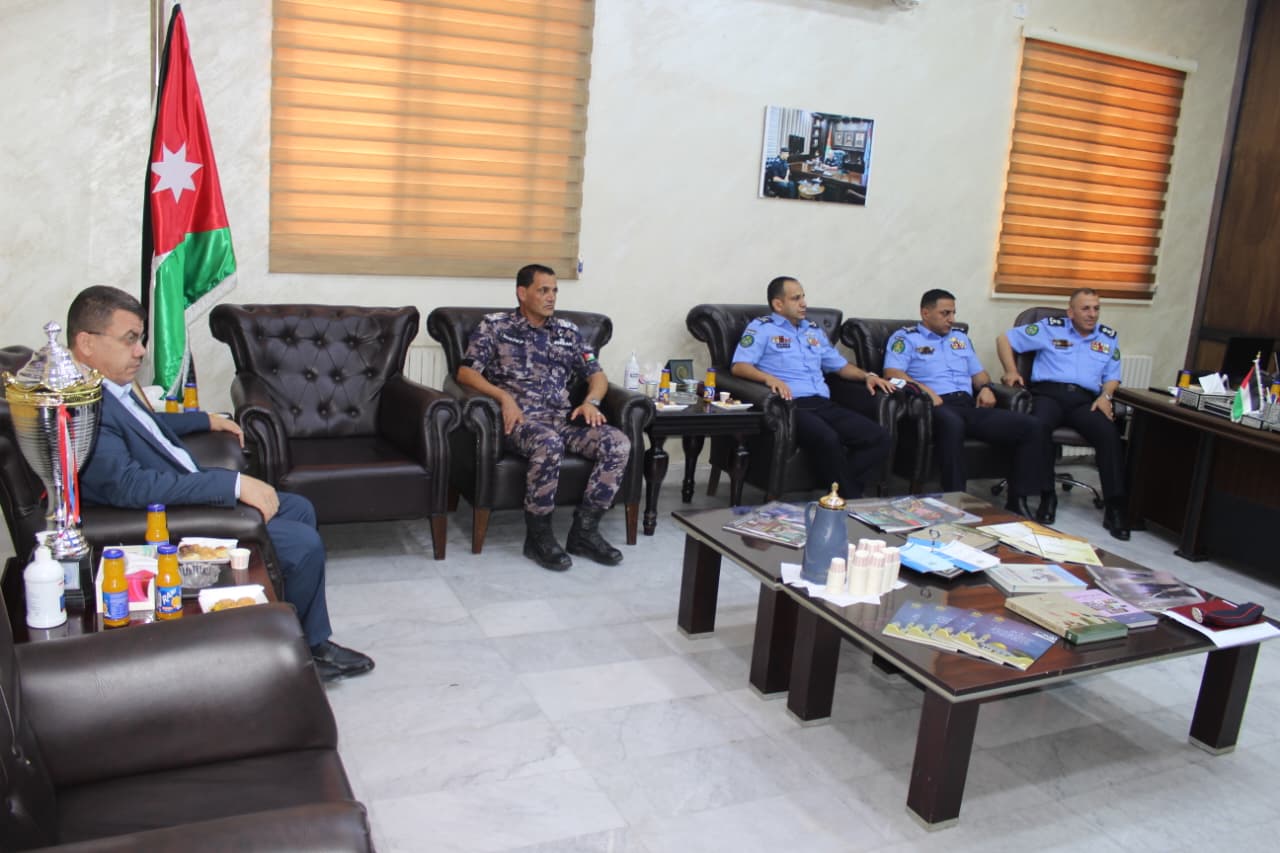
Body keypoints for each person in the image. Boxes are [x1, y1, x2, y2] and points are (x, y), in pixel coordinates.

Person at [67, 285, 373, 683]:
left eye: (141, 339)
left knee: (299, 508)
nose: (140, 351)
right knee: (301, 544)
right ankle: (301, 655)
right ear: (87, 343)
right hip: (170, 516)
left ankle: (297, 635)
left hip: (185, 493)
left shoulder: (107, 388)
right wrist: (230, 485)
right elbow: (127, 487)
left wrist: (204, 419)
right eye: (129, 339)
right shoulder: (83, 404)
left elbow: (144, 428)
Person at [457, 263, 631, 572]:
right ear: (522, 293)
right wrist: (504, 398)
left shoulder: (568, 332)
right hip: (520, 423)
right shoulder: (495, 327)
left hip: (562, 419)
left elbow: (597, 375)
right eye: (543, 290)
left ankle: (584, 532)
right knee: (548, 444)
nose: (551, 297)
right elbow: (466, 373)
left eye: (554, 291)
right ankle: (538, 537)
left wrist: (591, 402)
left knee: (617, 443)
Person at [882, 288, 1047, 517]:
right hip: (933, 406)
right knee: (953, 423)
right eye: (945, 313)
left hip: (967, 405)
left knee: (1032, 426)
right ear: (925, 313)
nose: (951, 319)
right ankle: (954, 499)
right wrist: (925, 390)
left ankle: (1018, 499)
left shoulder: (960, 339)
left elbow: (978, 374)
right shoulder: (906, 338)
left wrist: (986, 388)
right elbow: (892, 373)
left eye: (953, 313)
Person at [731, 276, 895, 499]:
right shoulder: (762, 328)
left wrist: (867, 376)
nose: (804, 303)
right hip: (790, 406)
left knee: (879, 437)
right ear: (778, 304)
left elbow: (840, 366)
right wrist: (769, 379)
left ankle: (838, 492)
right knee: (828, 438)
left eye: (803, 297)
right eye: (796, 298)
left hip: (823, 403)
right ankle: (850, 498)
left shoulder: (812, 331)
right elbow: (739, 366)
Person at [996, 288, 1129, 539]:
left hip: (1085, 401)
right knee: (1039, 426)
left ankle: (1115, 507)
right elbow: (1004, 339)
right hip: (1049, 395)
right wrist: (1011, 371)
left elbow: (1112, 376)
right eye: (1085, 308)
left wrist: (1106, 396)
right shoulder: (1050, 328)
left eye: (1096, 308)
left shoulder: (1107, 337)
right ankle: (1048, 496)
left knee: (1109, 434)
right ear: (1071, 312)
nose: (1092, 314)